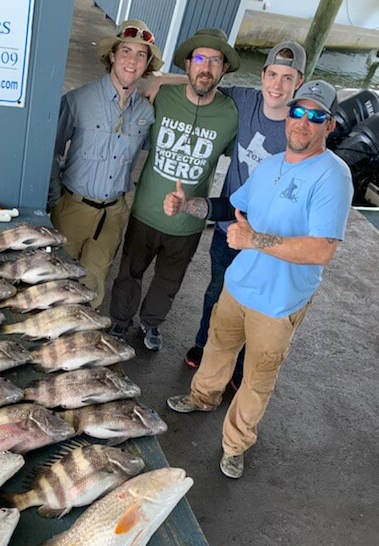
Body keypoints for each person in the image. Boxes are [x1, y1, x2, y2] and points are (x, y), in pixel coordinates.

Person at [163, 80, 353, 479]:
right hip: (239, 285)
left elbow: (322, 250)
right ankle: (202, 397)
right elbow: (230, 206)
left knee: (257, 379)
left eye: (315, 115)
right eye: (298, 112)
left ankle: (235, 444)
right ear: (288, 116)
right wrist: (188, 205)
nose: (303, 122)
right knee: (217, 347)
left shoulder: (333, 176)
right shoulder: (270, 165)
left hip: (279, 301)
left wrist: (254, 240)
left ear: (329, 125)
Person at [146, 42, 307, 386]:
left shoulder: (299, 125)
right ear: (262, 75)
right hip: (227, 226)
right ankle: (203, 344)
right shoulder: (244, 99)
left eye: (287, 78)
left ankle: (238, 365)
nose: (277, 86)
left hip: (267, 239)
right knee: (216, 292)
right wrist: (164, 79)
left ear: (299, 82)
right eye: (273, 75)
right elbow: (203, 83)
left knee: (255, 305)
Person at [107, 28, 240, 352]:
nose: (205, 67)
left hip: (189, 221)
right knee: (129, 272)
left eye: (214, 61)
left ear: (223, 69)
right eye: (199, 58)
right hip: (146, 211)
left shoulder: (230, 114)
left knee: (169, 281)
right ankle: (120, 322)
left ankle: (151, 323)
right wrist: (163, 80)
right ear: (187, 65)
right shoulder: (162, 97)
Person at [48, 20, 163, 309]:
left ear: (147, 64)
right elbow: (51, 151)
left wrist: (164, 81)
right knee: (54, 281)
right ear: (112, 55)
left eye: (141, 55)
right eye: (125, 51)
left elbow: (199, 87)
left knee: (92, 287)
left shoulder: (148, 112)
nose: (132, 61)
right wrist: (55, 200)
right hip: (72, 207)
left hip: (113, 215)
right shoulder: (78, 100)